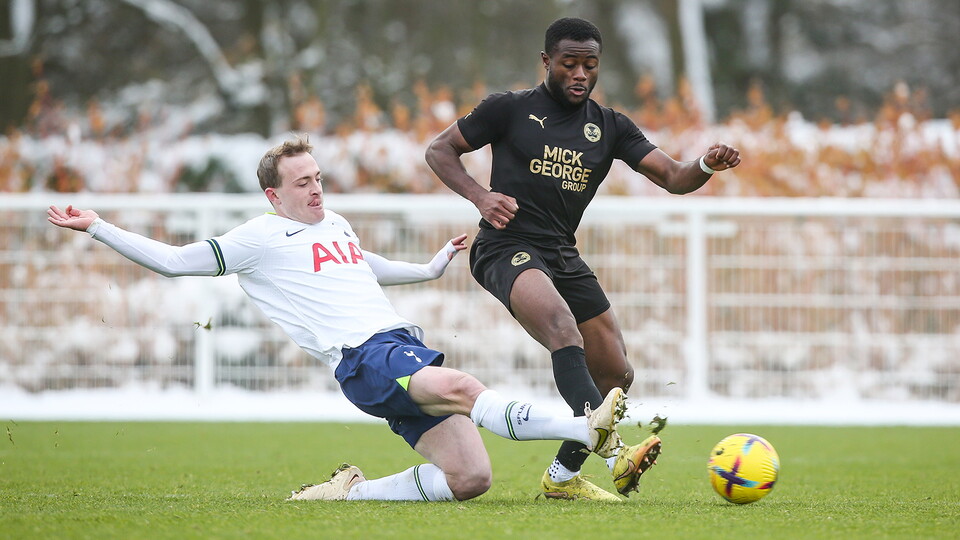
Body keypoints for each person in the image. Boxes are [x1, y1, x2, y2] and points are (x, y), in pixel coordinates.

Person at [47, 134, 648, 502]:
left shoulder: (333, 225)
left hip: (393, 348)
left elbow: (361, 264)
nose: (316, 190)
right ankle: (583, 431)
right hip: (365, 359)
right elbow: (177, 263)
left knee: (470, 480)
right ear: (273, 195)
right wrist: (97, 226)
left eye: (318, 179)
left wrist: (430, 268)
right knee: (464, 387)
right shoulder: (259, 237)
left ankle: (354, 492)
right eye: (302, 183)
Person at [426, 17, 741, 501]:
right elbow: (440, 149)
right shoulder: (508, 109)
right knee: (560, 326)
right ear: (546, 61)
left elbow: (675, 178)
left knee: (616, 372)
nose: (579, 74)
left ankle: (563, 478)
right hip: (505, 246)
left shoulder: (609, 126)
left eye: (589, 65)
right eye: (569, 64)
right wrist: (480, 196)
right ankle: (617, 455)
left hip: (561, 253)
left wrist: (705, 164)